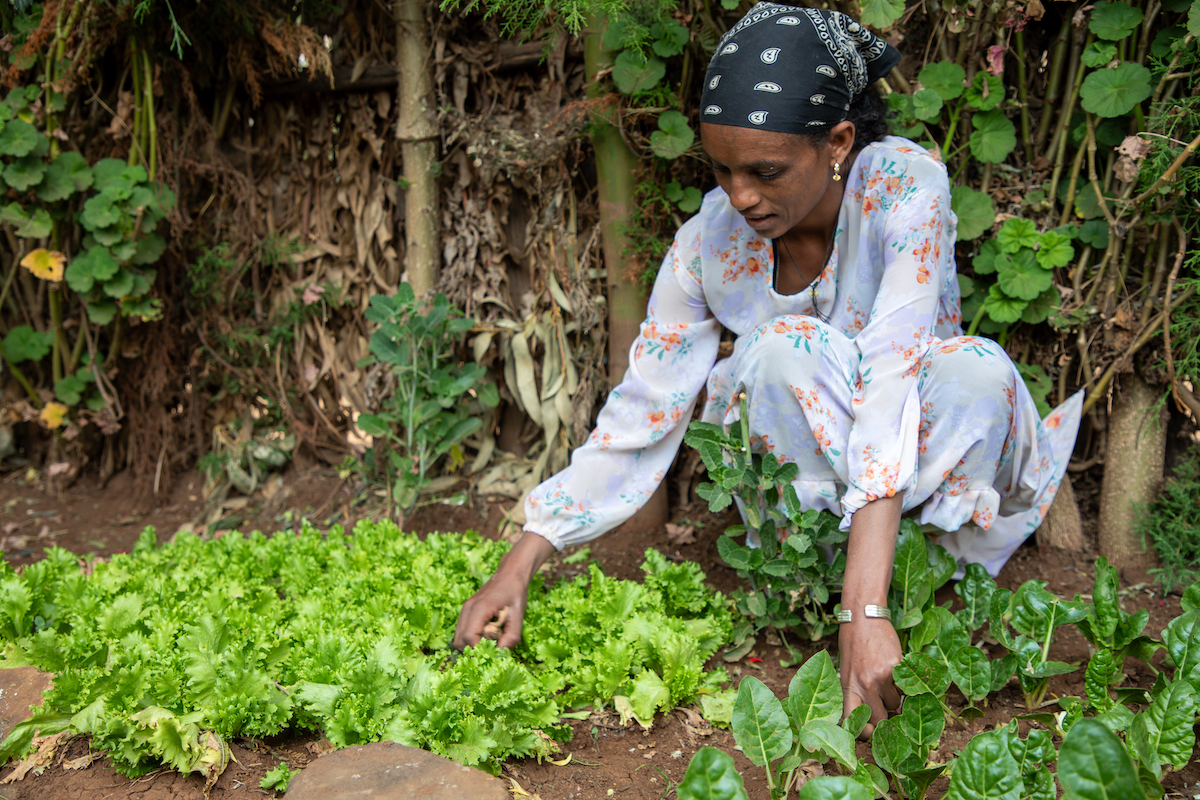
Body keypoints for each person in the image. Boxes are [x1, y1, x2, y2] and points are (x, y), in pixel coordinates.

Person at [455, 2, 1082, 736]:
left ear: (838, 141)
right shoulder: (707, 245)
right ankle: (815, 596)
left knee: (977, 370)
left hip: (907, 443)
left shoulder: (905, 187)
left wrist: (868, 608)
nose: (740, 195)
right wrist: (525, 555)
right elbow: (643, 410)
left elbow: (893, 373)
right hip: (805, 534)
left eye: (764, 171)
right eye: (720, 170)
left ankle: (927, 588)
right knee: (784, 349)